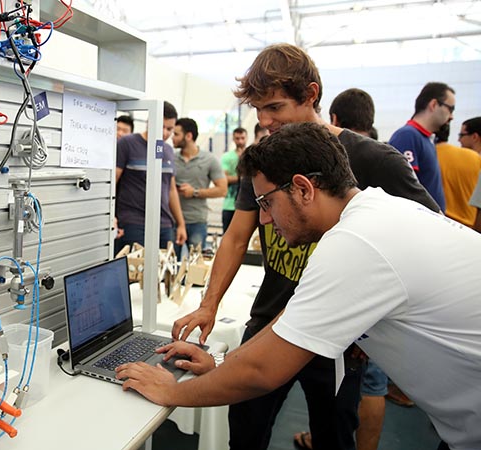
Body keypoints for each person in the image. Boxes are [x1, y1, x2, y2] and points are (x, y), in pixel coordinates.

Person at [116, 122, 481, 450]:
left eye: (266, 202)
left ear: (304, 189)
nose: (263, 218)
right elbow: (287, 324)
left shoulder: (356, 242)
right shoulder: (370, 216)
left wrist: (172, 392)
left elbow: (264, 372)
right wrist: (222, 362)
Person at [171, 43, 439, 450]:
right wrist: (209, 304)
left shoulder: (374, 159)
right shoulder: (265, 157)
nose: (265, 121)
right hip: (269, 320)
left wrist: (378, 320)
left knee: (333, 436)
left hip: (341, 337)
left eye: (275, 108)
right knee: (245, 430)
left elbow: (426, 238)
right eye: (258, 111)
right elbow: (237, 235)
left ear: (311, 94)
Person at [328, 87, 387, 450]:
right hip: (375, 306)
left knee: (362, 388)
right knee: (368, 387)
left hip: (366, 306)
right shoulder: (389, 160)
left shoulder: (349, 160)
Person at [114, 101, 187, 255]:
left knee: (164, 273)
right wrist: (111, 217)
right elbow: (113, 182)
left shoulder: (167, 150)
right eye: (162, 127)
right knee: (135, 272)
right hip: (133, 222)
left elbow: (171, 190)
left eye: (170, 129)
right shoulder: (127, 144)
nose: (166, 133)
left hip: (164, 223)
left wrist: (180, 224)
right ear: (150, 122)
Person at [388, 82, 455, 212]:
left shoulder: (426, 139)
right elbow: (404, 187)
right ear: (434, 104)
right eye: (450, 109)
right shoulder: (407, 136)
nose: (451, 116)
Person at [171, 118, 226, 254]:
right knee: (169, 266)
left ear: (188, 136)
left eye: (176, 134)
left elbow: (222, 190)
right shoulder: (170, 158)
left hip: (197, 221)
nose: (172, 137)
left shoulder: (210, 160)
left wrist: (194, 192)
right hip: (172, 221)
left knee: (196, 265)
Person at [435, 123, 481, 228]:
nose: (459, 140)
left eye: (461, 135)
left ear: (474, 137)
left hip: (442, 222)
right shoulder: (475, 158)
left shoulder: (431, 155)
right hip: (470, 226)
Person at [221, 128, 247, 232]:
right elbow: (224, 179)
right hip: (229, 204)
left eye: (242, 138)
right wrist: (241, 178)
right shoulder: (227, 157)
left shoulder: (251, 155)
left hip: (245, 204)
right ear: (233, 139)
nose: (240, 141)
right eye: (237, 138)